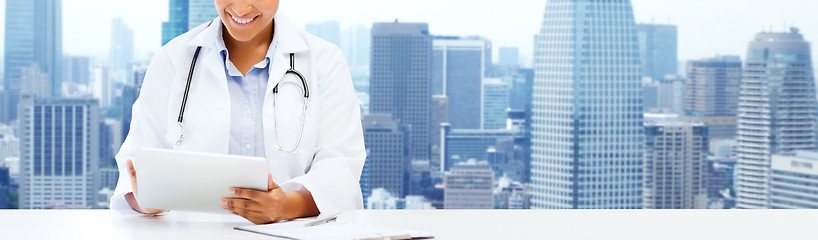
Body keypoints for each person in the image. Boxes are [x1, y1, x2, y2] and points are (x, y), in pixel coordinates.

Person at [110, 0, 366, 224]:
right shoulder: (173, 59)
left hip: (301, 232)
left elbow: (341, 164)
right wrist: (147, 201)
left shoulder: (325, 61)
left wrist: (286, 206)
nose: (241, 7)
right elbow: (138, 161)